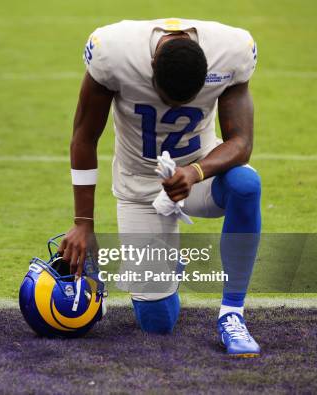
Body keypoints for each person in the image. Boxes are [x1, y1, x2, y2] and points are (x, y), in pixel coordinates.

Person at [59, 18, 262, 357]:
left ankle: (232, 314)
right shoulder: (114, 52)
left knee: (245, 183)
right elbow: (84, 137)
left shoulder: (231, 51)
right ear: (151, 67)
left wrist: (196, 171)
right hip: (139, 186)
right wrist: (84, 223)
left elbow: (241, 142)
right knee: (157, 323)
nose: (176, 108)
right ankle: (170, 263)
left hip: (198, 175)